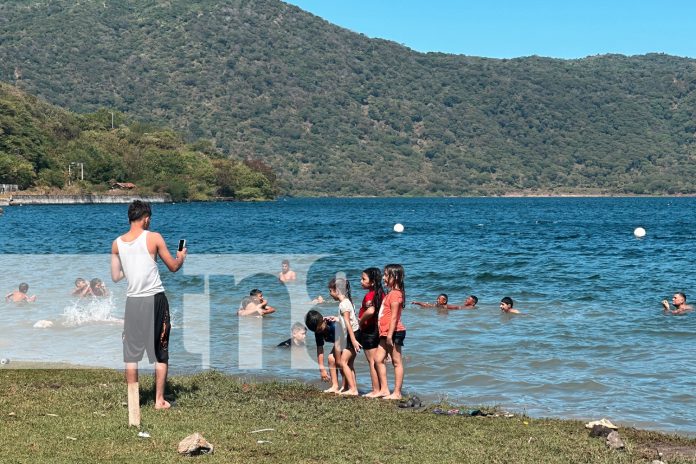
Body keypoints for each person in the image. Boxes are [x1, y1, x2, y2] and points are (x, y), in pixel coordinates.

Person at [111, 200, 187, 410]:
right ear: (146, 218)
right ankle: (159, 400)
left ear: (129, 218)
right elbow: (172, 267)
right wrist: (181, 257)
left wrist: (131, 265)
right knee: (160, 351)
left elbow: (116, 276)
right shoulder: (153, 237)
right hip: (155, 299)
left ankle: (134, 401)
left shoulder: (117, 243)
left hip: (133, 302)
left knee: (131, 355)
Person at [373, 264, 407, 400]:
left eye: (386, 275)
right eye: (384, 275)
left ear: (396, 277)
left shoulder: (395, 294)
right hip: (385, 332)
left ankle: (397, 393)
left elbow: (394, 317)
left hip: (394, 332)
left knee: (396, 362)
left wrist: (390, 336)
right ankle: (385, 389)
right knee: (378, 359)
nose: (384, 278)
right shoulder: (390, 293)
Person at [328, 276, 360, 396]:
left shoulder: (343, 304)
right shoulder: (347, 302)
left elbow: (348, 323)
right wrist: (336, 318)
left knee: (343, 362)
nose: (330, 294)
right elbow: (348, 319)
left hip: (353, 335)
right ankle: (351, 387)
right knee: (349, 363)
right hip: (355, 334)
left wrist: (353, 340)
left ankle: (352, 389)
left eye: (330, 291)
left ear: (336, 290)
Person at [358, 267, 386, 398]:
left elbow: (370, 311)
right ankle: (381, 388)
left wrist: (360, 321)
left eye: (363, 279)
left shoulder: (370, 295)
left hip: (369, 330)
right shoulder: (381, 293)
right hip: (378, 329)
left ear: (373, 282)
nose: (361, 281)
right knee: (377, 361)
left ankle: (376, 389)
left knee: (372, 362)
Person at [305, 309, 344, 393]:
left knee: (338, 361)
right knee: (331, 359)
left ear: (323, 320)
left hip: (348, 339)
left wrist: (338, 361)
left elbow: (339, 343)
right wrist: (322, 369)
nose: (319, 332)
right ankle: (335, 386)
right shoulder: (317, 331)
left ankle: (346, 386)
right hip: (339, 342)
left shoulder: (334, 326)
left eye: (320, 329)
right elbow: (320, 349)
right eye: (316, 331)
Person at [412, 293, 478, 310]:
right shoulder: (440, 305)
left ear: (473, 303)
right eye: (437, 299)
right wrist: (417, 303)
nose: (466, 300)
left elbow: (457, 307)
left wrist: (446, 307)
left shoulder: (471, 308)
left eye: (468, 299)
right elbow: (428, 305)